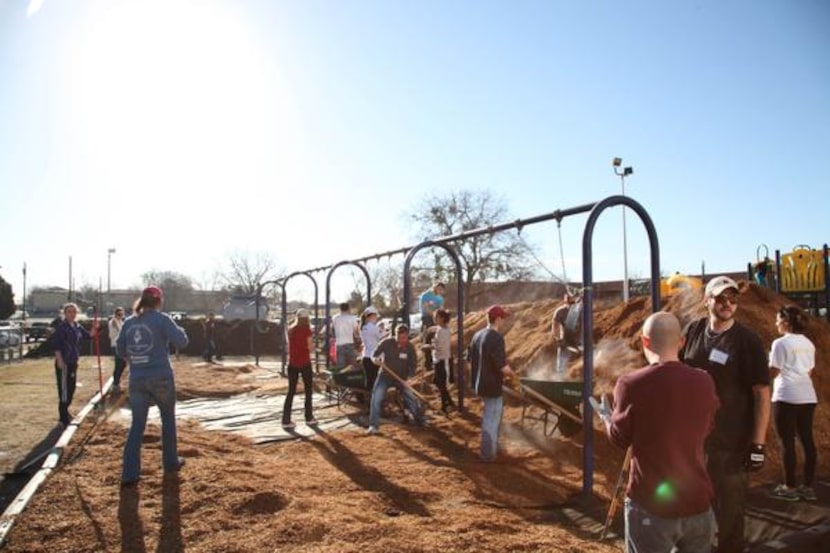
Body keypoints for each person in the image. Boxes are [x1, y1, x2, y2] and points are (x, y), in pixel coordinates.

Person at [598, 312, 720, 553]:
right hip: (698, 503)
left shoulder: (630, 384)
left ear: (645, 342)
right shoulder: (704, 381)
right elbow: (708, 428)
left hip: (650, 506)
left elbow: (619, 438)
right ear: (682, 342)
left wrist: (606, 418)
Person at [679, 275, 771, 552]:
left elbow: (762, 395)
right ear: (707, 300)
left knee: (730, 514)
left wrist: (758, 444)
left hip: (732, 444)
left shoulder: (747, 341)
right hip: (694, 441)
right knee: (693, 508)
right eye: (721, 298)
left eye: (733, 299)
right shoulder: (693, 331)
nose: (728, 304)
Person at [117, 286, 189, 487]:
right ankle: (170, 462)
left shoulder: (129, 323)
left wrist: (135, 360)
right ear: (158, 301)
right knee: (167, 419)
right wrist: (180, 330)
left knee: (137, 425)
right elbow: (182, 342)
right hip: (161, 377)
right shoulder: (162, 319)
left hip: (137, 378)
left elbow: (120, 349)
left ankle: (129, 474)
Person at [768, 305, 818, 501]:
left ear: (786, 322)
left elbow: (774, 371)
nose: (776, 323)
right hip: (808, 396)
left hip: (786, 396)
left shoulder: (780, 343)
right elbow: (810, 371)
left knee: (786, 441)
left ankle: (789, 487)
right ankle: (807, 486)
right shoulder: (809, 344)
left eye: (778, 319)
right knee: (807, 440)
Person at [468, 305, 517, 462]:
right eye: (502, 318)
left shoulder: (477, 335)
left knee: (494, 415)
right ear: (497, 319)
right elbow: (502, 366)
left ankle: (493, 445)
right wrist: (513, 376)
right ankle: (487, 454)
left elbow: (471, 360)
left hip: (479, 383)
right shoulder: (496, 338)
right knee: (491, 417)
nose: (503, 321)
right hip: (492, 385)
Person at [367, 324, 424, 435]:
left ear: (407, 336)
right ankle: (373, 425)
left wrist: (409, 377)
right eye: (399, 337)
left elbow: (413, 364)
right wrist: (375, 360)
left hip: (401, 378)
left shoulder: (410, 347)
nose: (401, 340)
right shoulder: (386, 343)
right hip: (385, 376)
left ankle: (420, 420)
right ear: (395, 335)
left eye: (403, 338)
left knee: (410, 396)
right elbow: (374, 355)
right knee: (377, 396)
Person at [52, 302, 91, 427]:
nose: (72, 314)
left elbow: (89, 336)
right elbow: (56, 346)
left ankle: (66, 412)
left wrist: (95, 328)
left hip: (73, 362)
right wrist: (60, 360)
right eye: (69, 312)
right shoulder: (62, 327)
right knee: (64, 391)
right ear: (65, 313)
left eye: (74, 312)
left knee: (71, 389)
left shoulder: (77, 326)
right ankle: (62, 419)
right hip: (64, 362)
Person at [282, 309, 317, 428]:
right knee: (308, 390)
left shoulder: (291, 329)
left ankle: (286, 420)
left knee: (291, 391)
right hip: (305, 362)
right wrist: (313, 348)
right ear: (307, 318)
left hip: (292, 363)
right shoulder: (307, 330)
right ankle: (309, 417)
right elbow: (310, 347)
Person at [551, 291, 582, 376]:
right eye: (569, 301)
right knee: (561, 365)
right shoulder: (560, 312)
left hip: (580, 341)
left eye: (573, 301)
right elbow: (555, 326)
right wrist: (558, 339)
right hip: (565, 341)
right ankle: (560, 379)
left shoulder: (582, 311)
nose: (571, 304)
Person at [430, 308, 456, 413]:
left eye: (436, 317)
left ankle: (445, 405)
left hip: (442, 359)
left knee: (441, 384)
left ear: (442, 318)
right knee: (438, 383)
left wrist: (430, 346)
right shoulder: (444, 329)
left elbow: (439, 346)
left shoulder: (441, 331)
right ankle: (448, 401)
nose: (434, 319)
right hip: (439, 359)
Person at [419, 282, 445, 370]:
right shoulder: (426, 295)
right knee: (427, 339)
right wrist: (434, 315)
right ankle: (427, 363)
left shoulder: (440, 298)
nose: (440, 291)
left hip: (436, 319)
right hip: (427, 318)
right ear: (435, 287)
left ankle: (438, 361)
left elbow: (441, 309)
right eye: (439, 289)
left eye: (442, 290)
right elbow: (425, 308)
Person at [360, 306, 383, 394]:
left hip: (366, 356)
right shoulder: (373, 327)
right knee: (376, 380)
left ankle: (369, 401)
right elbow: (381, 337)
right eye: (375, 316)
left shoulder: (363, 327)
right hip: (375, 357)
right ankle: (374, 401)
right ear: (371, 316)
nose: (376, 318)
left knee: (369, 380)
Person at [331, 302, 359, 372]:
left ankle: (341, 379)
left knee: (341, 365)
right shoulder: (352, 318)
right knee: (352, 363)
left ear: (340, 309)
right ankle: (352, 377)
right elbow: (356, 331)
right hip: (350, 342)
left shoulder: (335, 317)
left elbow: (333, 329)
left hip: (339, 343)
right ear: (348, 308)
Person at [108, 306, 126, 392]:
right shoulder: (113, 321)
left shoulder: (121, 321)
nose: (120, 316)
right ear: (115, 314)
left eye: (122, 314)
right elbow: (120, 332)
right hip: (115, 345)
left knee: (123, 364)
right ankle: (115, 384)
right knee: (118, 364)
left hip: (122, 346)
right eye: (119, 314)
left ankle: (116, 381)